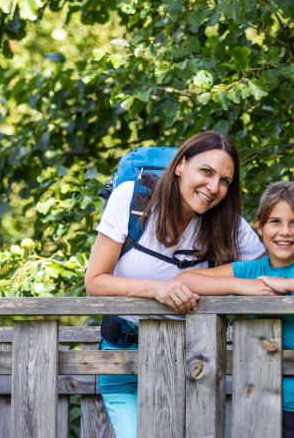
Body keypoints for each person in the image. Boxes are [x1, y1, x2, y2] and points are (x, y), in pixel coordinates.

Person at [84, 131, 272, 438]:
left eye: (225, 181)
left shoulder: (228, 222)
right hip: (122, 358)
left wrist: (235, 283)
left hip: (191, 364)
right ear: (181, 164)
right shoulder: (133, 199)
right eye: (206, 172)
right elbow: (95, 282)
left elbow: (272, 270)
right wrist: (157, 289)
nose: (213, 188)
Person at [176, 180, 294, 438]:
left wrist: (285, 284)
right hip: (261, 405)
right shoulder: (252, 271)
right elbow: (184, 280)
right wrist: (242, 287)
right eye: (275, 222)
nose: (284, 231)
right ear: (260, 227)